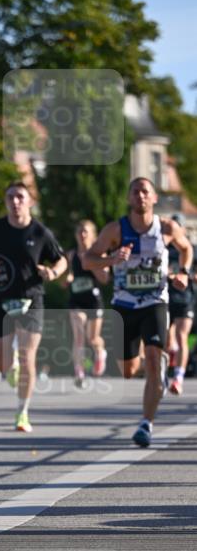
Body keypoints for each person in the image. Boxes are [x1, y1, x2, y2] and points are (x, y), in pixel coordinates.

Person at [84, 177, 193, 447]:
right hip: (124, 305)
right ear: (129, 198)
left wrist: (183, 273)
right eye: (135, 192)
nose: (140, 196)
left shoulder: (167, 228)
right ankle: (153, 371)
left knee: (155, 359)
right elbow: (88, 259)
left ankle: (146, 423)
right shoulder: (115, 230)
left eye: (145, 191)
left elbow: (186, 248)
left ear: (154, 198)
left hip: (155, 301)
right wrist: (112, 259)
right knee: (128, 370)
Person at [0, 181, 67, 432]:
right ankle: (9, 367)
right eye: (10, 197)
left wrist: (52, 272)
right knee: (1, 365)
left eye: (20, 197)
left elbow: (62, 260)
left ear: (30, 201)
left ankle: (22, 412)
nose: (15, 202)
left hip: (31, 299)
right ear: (5, 202)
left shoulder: (40, 233)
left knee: (27, 356)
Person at [64, 219, 109, 387]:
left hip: (93, 300)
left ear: (93, 236)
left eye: (86, 232)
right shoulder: (71, 255)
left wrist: (92, 264)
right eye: (79, 232)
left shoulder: (98, 254)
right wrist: (67, 279)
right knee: (79, 336)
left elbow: (105, 278)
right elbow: (66, 276)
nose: (82, 235)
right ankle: (79, 371)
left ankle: (100, 353)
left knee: (93, 338)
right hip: (76, 300)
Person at [166, 213, 195, 395]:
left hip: (185, 299)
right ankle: (164, 371)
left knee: (182, 336)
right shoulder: (164, 249)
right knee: (165, 341)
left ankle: (179, 377)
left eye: (179, 225)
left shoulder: (192, 249)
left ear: (183, 229)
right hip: (166, 299)